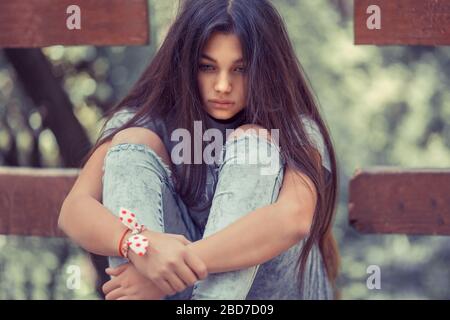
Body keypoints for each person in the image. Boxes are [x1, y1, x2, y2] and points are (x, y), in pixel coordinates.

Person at [58, 0, 340, 300]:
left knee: (254, 143)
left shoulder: (295, 126)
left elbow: (292, 219)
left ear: (264, 70)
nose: (222, 85)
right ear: (185, 64)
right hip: (175, 295)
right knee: (131, 144)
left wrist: (171, 268)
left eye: (240, 69)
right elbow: (74, 209)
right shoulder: (147, 118)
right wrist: (138, 246)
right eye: (207, 67)